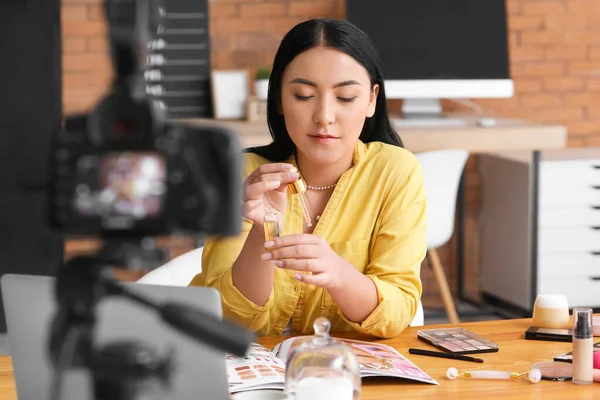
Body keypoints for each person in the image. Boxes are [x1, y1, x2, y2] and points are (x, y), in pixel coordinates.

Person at [189, 18, 427, 339]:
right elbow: (227, 320)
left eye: (345, 98)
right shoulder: (242, 174)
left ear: (371, 100)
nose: (324, 116)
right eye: (303, 95)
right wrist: (264, 230)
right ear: (278, 101)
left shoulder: (395, 171)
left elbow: (397, 309)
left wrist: (339, 273)